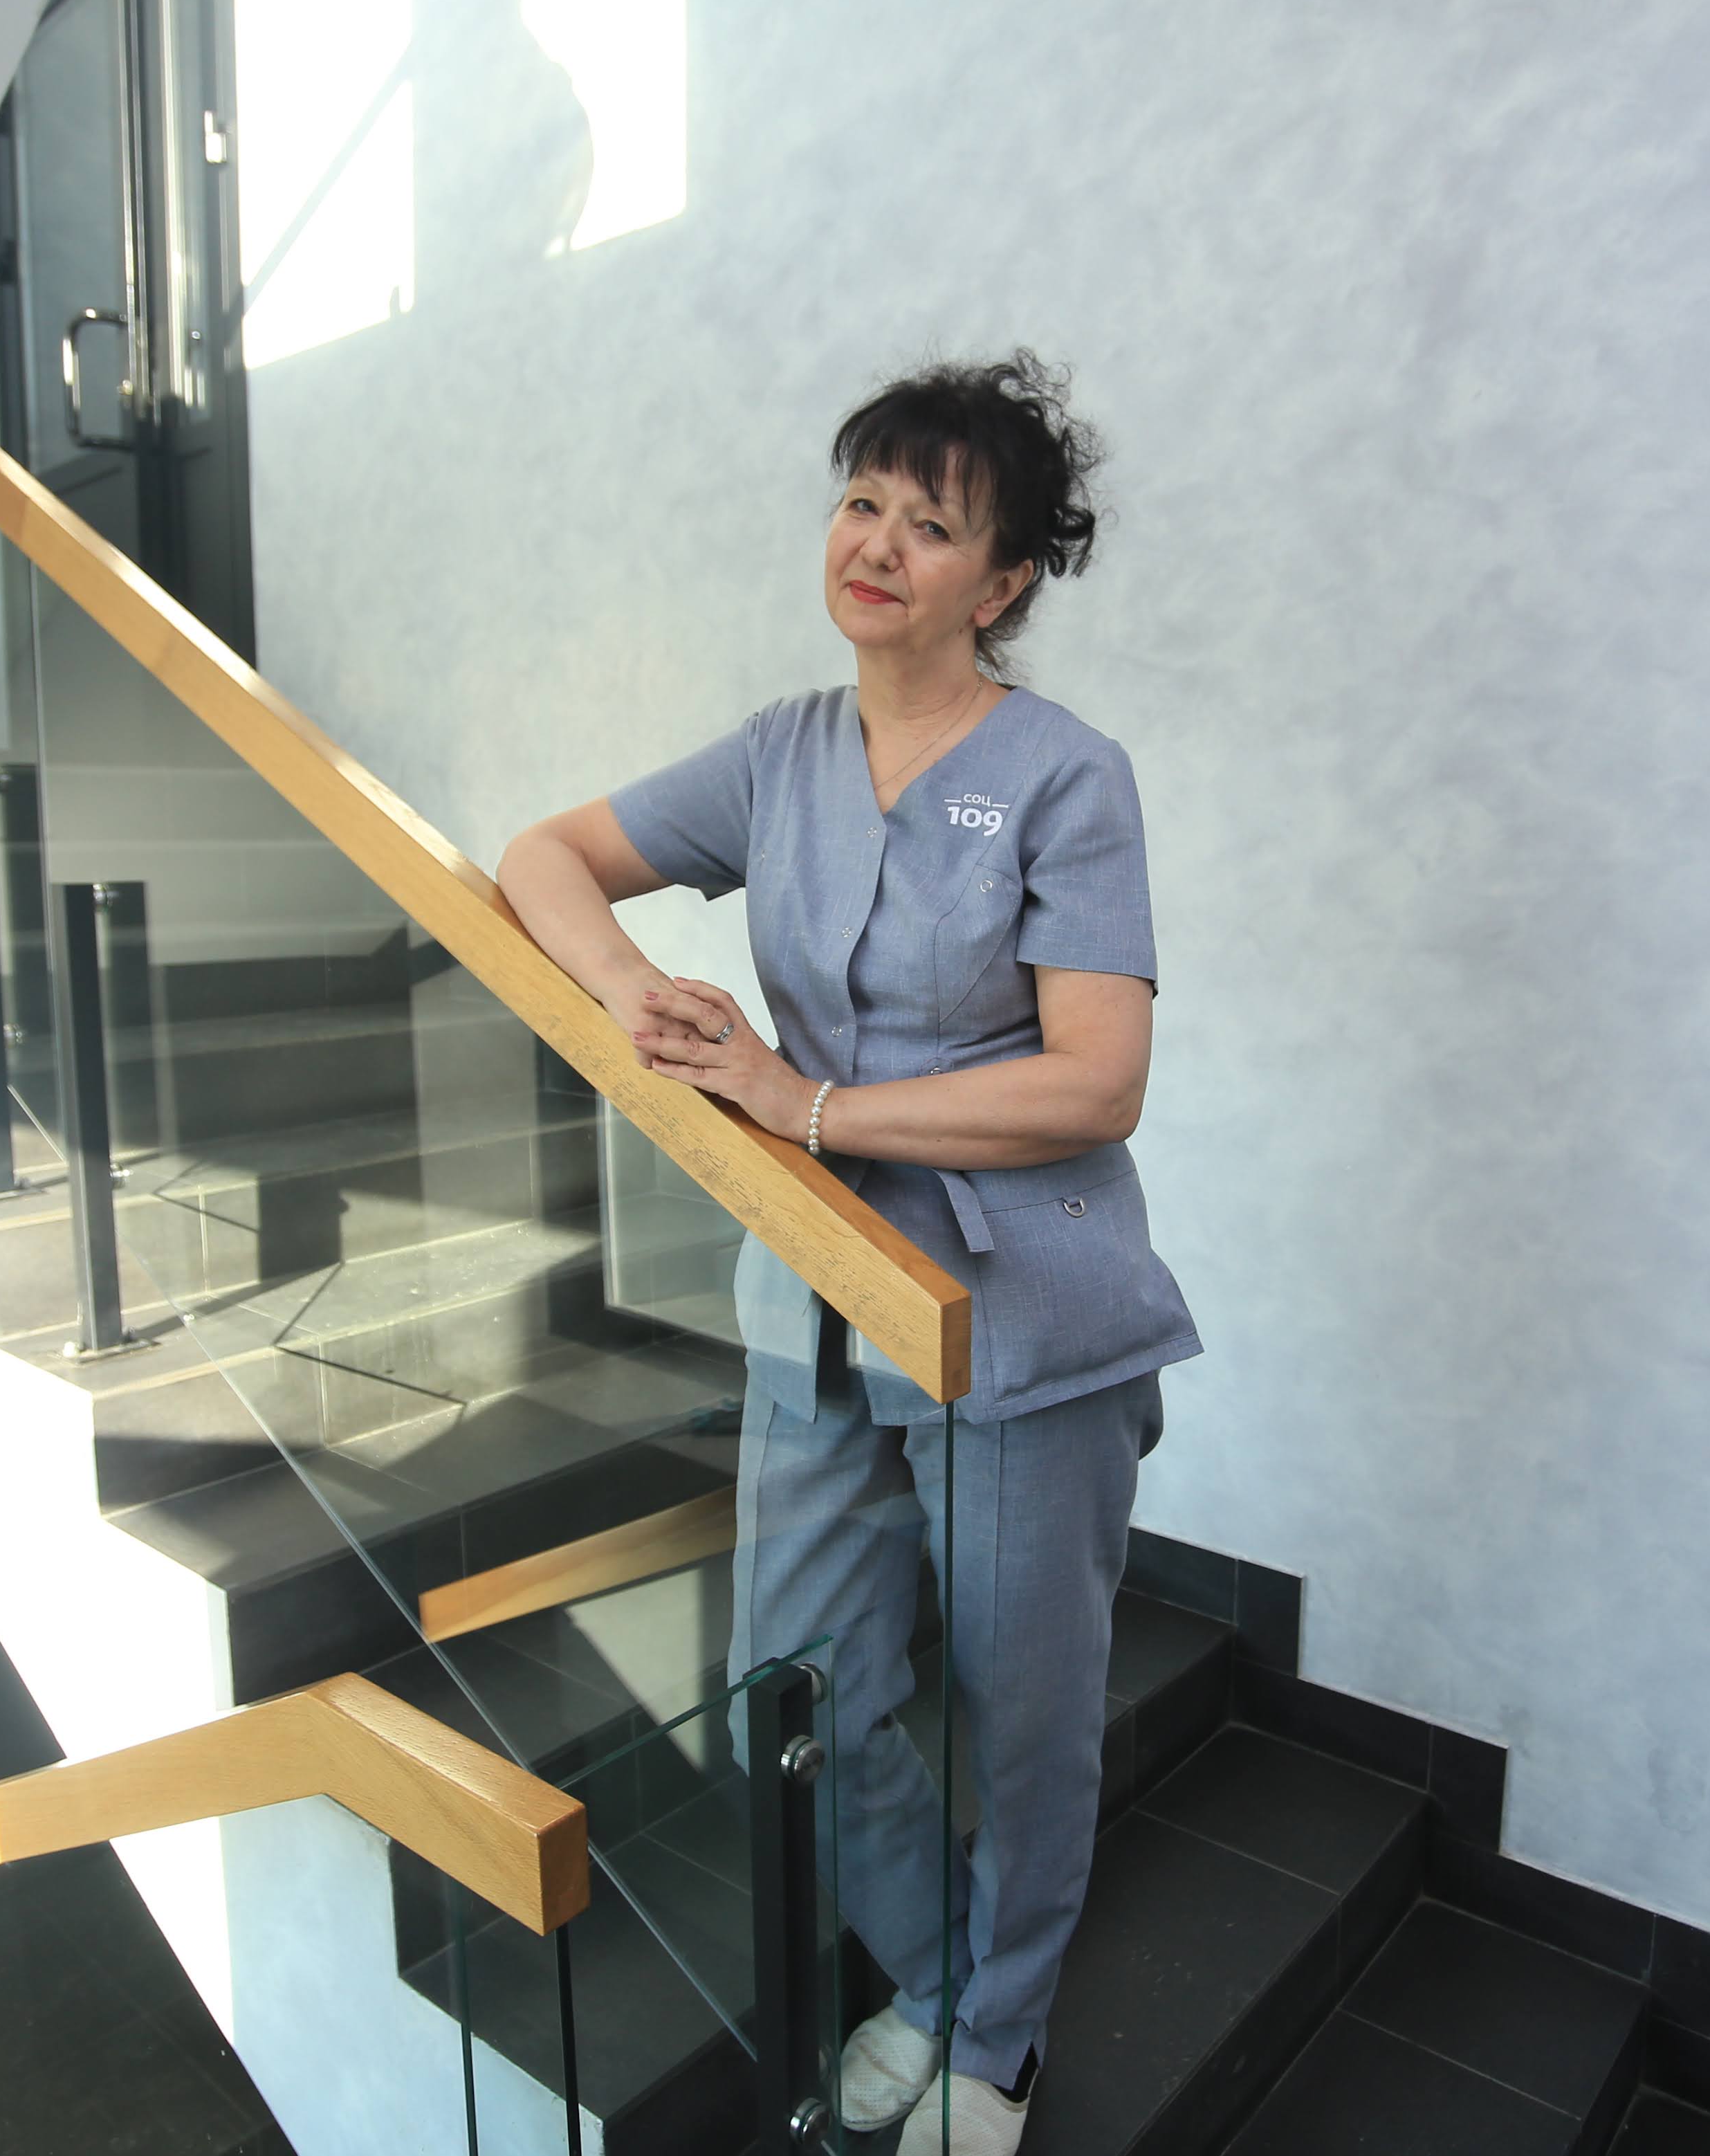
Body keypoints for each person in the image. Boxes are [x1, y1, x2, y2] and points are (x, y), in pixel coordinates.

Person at [497, 353, 1198, 2156]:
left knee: (1025, 1718)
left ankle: (1000, 2039)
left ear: (1006, 578)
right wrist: (637, 993)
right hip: (811, 1303)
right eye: (860, 502)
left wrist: (803, 1102)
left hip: (1019, 1323)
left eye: (931, 524)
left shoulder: (1067, 778)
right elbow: (542, 856)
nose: (876, 545)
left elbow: (1098, 1079)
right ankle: (940, 1976)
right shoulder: (779, 753)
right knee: (798, 1695)